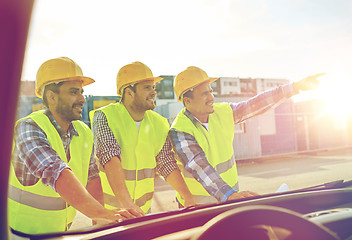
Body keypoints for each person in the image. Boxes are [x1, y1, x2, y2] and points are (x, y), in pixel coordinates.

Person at [8, 57, 138, 235]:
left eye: (81, 92)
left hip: (60, 233)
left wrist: (99, 219)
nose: (82, 99)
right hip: (23, 234)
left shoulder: (83, 131)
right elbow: (54, 171)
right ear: (51, 97)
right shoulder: (29, 127)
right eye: (74, 92)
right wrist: (102, 212)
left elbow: (92, 177)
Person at [169, 66, 324, 206]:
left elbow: (255, 104)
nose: (211, 97)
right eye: (204, 93)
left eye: (211, 91)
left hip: (230, 199)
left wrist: (294, 88)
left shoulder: (222, 112)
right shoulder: (180, 130)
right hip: (198, 207)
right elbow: (198, 165)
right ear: (187, 101)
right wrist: (229, 194)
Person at [90, 61, 195, 215]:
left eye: (153, 87)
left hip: (143, 212)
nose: (153, 92)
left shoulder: (159, 123)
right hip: (111, 213)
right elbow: (109, 156)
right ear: (129, 92)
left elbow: (165, 163)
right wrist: (127, 205)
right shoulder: (105, 116)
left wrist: (188, 197)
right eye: (147, 87)